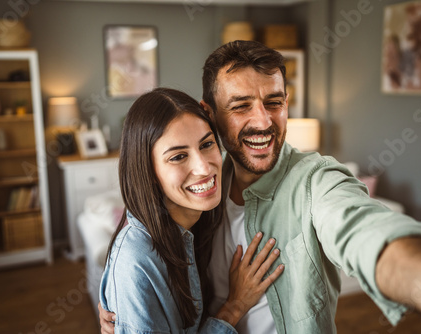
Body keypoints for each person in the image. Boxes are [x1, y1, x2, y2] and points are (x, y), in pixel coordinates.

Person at [100, 41, 421, 333]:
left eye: (273, 102)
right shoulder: (202, 191)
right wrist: (127, 301)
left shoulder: (315, 181)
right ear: (209, 113)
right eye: (241, 106)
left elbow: (363, 229)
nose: (263, 122)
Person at [99, 87, 284, 333]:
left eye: (207, 144)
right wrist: (234, 307)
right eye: (178, 157)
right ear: (148, 171)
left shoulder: (201, 222)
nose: (204, 168)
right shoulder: (136, 262)